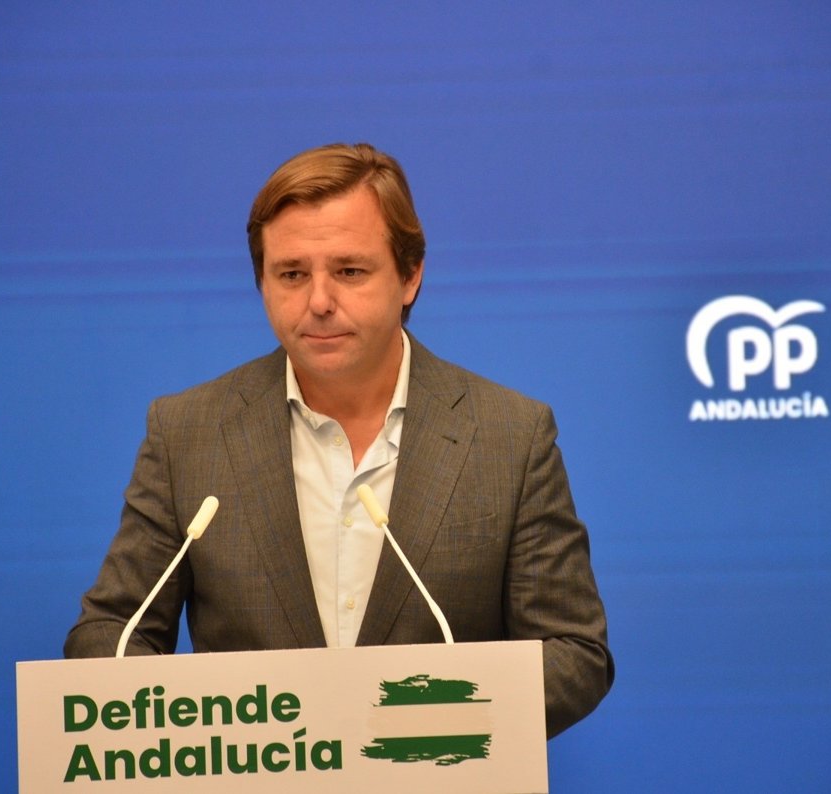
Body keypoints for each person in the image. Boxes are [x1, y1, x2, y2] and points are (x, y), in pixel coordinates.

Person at [65, 142, 613, 737]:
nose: (319, 302)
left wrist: (418, 719)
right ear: (262, 282)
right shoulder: (188, 434)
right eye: (292, 274)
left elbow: (574, 653)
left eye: (350, 271)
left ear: (410, 275)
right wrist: (214, 729)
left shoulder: (510, 437)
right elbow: (110, 632)